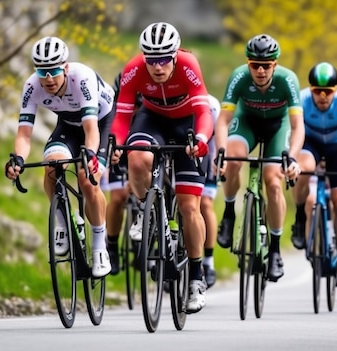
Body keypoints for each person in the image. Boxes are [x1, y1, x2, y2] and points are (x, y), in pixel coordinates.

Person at [111, 22, 213, 314]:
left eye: (163, 59)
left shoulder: (188, 64)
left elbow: (203, 111)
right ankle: (146, 210)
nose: (157, 66)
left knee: (189, 207)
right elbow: (122, 116)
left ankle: (195, 277)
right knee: (137, 156)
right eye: (151, 59)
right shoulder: (133, 69)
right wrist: (116, 144)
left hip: (187, 125)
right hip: (152, 120)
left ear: (175, 54)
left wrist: (203, 139)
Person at [4, 36, 113, 277]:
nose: (48, 78)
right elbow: (24, 133)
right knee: (52, 167)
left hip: (101, 121)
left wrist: (91, 155)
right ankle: (63, 225)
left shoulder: (81, 79)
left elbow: (91, 130)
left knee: (87, 178)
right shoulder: (32, 86)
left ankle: (98, 247)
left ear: (65, 67)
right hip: (67, 124)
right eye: (42, 72)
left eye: (54, 70)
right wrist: (18, 161)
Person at [214, 34, 303, 283]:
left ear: (275, 64)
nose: (261, 71)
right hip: (248, 122)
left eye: (266, 65)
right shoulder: (239, 76)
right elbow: (223, 120)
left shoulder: (288, 80)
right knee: (232, 159)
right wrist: (220, 152)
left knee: (273, 181)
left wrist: (293, 158)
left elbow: (298, 125)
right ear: (248, 63)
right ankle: (229, 213)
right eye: (255, 65)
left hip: (278, 126)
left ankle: (274, 250)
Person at [290, 62, 337, 286]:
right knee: (304, 169)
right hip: (310, 143)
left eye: (328, 91)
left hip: (335, 147)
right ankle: (300, 216)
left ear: (336, 91)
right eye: (317, 91)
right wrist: (293, 161)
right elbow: (295, 134)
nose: (322, 96)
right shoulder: (301, 101)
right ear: (310, 90)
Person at [104, 73, 142, 276]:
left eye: (138, 105)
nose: (132, 110)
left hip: (139, 154)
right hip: (119, 155)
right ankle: (112, 246)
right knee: (118, 198)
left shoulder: (147, 114)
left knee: (146, 193)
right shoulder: (112, 111)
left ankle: (147, 243)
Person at [200, 95, 221, 288]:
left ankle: (208, 260)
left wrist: (217, 164)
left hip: (208, 151)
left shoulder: (211, 105)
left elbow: (216, 142)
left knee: (205, 203)